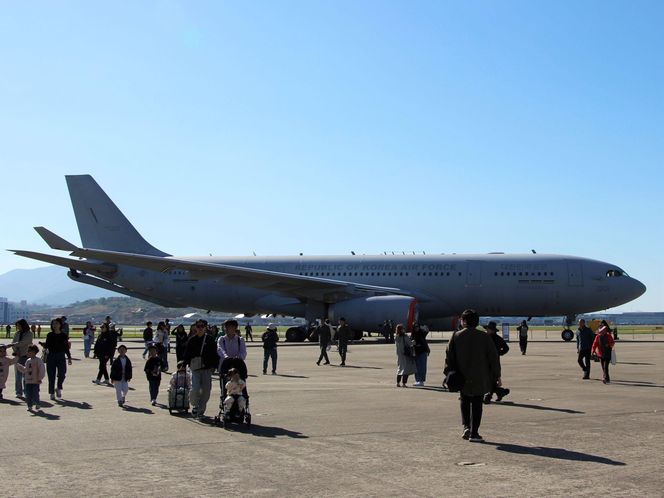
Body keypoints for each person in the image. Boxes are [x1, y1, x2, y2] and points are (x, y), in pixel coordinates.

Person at [444, 309, 501, 443]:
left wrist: (448, 373)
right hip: (480, 376)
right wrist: (497, 375)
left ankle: (466, 427)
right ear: (477, 322)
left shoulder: (456, 336)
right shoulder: (484, 337)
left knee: (464, 401)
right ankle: (474, 433)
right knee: (477, 404)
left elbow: (449, 357)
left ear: (463, 321)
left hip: (461, 376)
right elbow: (494, 358)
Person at [183, 319, 219, 420]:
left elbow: (214, 353)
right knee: (195, 389)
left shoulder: (210, 339)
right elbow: (187, 353)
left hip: (207, 368)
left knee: (206, 391)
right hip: (195, 368)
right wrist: (184, 364)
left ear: (205, 327)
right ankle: (195, 405)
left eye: (202, 326)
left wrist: (214, 366)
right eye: (198, 326)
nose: (200, 328)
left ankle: (201, 410)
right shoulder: (192, 340)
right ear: (195, 327)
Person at [42, 317, 72, 400]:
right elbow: (47, 345)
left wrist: (69, 357)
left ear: (60, 325)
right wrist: (43, 345)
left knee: (62, 374)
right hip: (51, 356)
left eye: (56, 323)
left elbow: (66, 347)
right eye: (53, 324)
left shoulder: (63, 335)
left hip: (61, 356)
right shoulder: (50, 335)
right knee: (51, 376)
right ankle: (51, 392)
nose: (54, 325)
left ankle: (58, 387)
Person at [483, 321, 510, 403]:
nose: (486, 330)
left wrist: (499, 353)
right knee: (490, 379)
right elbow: (506, 348)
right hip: (487, 361)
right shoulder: (487, 338)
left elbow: (506, 348)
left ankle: (489, 396)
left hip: (492, 362)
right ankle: (501, 392)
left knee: (492, 379)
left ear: (492, 330)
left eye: (488, 329)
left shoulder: (495, 339)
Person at [15, 344, 45, 411]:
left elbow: (42, 370)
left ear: (34, 352)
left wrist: (40, 378)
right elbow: (26, 370)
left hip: (35, 381)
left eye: (29, 351)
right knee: (28, 394)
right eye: (27, 351)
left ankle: (37, 403)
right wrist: (19, 367)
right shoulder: (28, 361)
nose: (27, 353)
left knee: (35, 393)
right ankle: (29, 405)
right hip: (28, 381)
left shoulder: (38, 360)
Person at [12, 319, 33, 398]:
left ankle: (26, 392)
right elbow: (13, 343)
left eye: (19, 325)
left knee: (26, 375)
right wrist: (16, 350)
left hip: (26, 356)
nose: (18, 327)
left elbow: (24, 342)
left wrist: (15, 345)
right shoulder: (17, 333)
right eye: (17, 326)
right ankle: (18, 392)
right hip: (18, 356)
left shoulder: (29, 333)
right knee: (18, 376)